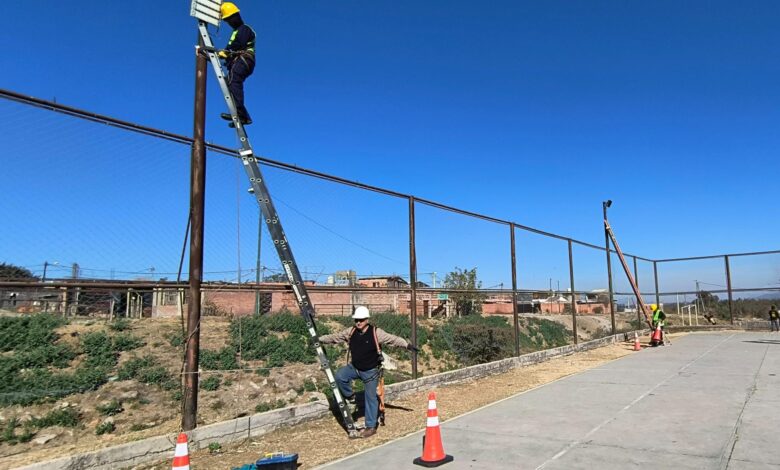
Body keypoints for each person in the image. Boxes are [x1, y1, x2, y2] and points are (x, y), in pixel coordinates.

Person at [319, 306, 417, 438]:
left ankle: (370, 427)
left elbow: (392, 339)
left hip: (370, 371)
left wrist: (407, 345)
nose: (358, 322)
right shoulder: (351, 331)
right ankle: (351, 397)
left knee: (370, 398)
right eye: (356, 320)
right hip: (354, 367)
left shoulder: (376, 333)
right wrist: (320, 339)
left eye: (361, 320)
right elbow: (336, 337)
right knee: (339, 377)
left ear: (367, 319)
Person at [218, 2, 255, 127]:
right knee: (230, 83)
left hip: (244, 59)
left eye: (230, 18)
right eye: (227, 20)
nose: (230, 22)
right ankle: (243, 115)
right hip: (241, 60)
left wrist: (226, 52)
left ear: (237, 15)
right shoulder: (236, 31)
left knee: (234, 81)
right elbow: (233, 45)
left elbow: (239, 43)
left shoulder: (244, 29)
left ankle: (239, 114)